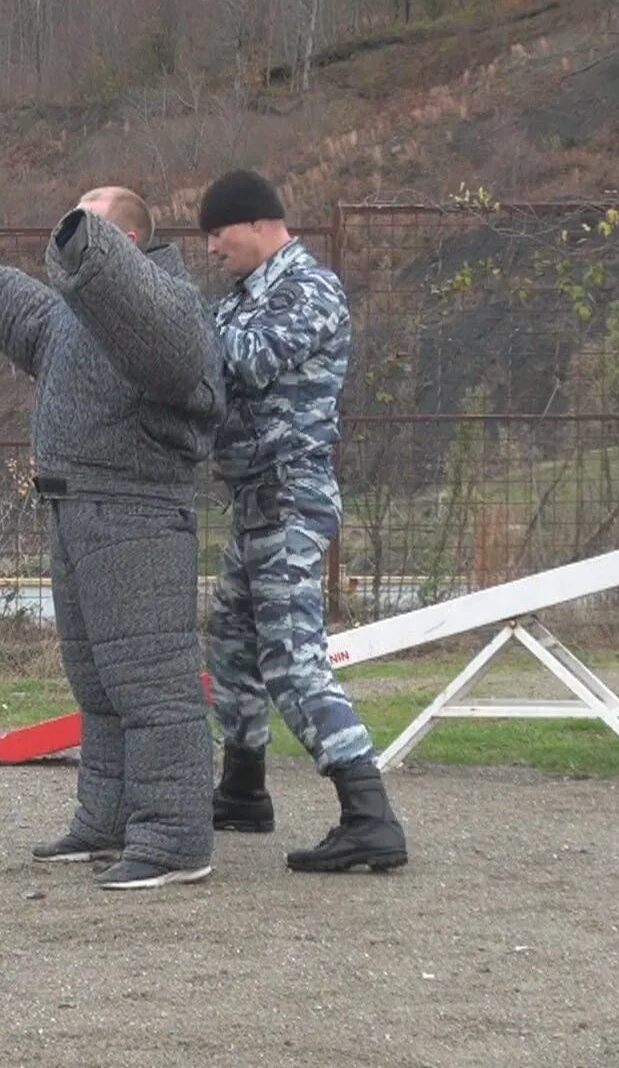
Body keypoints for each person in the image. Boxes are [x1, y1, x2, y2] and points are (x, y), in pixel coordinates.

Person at [0, 186, 224, 890]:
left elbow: (178, 362)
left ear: (129, 245)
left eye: (92, 225)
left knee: (151, 683)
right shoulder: (81, 320)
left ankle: (174, 839)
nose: (72, 231)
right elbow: (37, 324)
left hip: (135, 515)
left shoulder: (168, 307)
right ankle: (107, 821)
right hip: (79, 512)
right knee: (100, 685)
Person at [197, 168, 409, 874]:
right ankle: (244, 790)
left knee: (292, 656)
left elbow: (248, 363)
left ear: (256, 223)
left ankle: (369, 815)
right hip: (256, 499)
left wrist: (171, 327)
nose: (209, 248)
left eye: (216, 232)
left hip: (293, 495)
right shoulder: (238, 298)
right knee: (231, 641)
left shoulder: (309, 290)